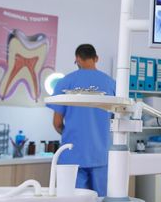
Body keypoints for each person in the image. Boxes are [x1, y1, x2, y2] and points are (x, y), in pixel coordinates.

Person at [46, 44, 116, 197]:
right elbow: (115, 118)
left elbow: (57, 123)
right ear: (96, 58)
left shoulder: (65, 82)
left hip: (72, 155)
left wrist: (73, 135)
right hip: (101, 155)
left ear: (77, 59)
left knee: (74, 198)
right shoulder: (111, 84)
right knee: (102, 198)